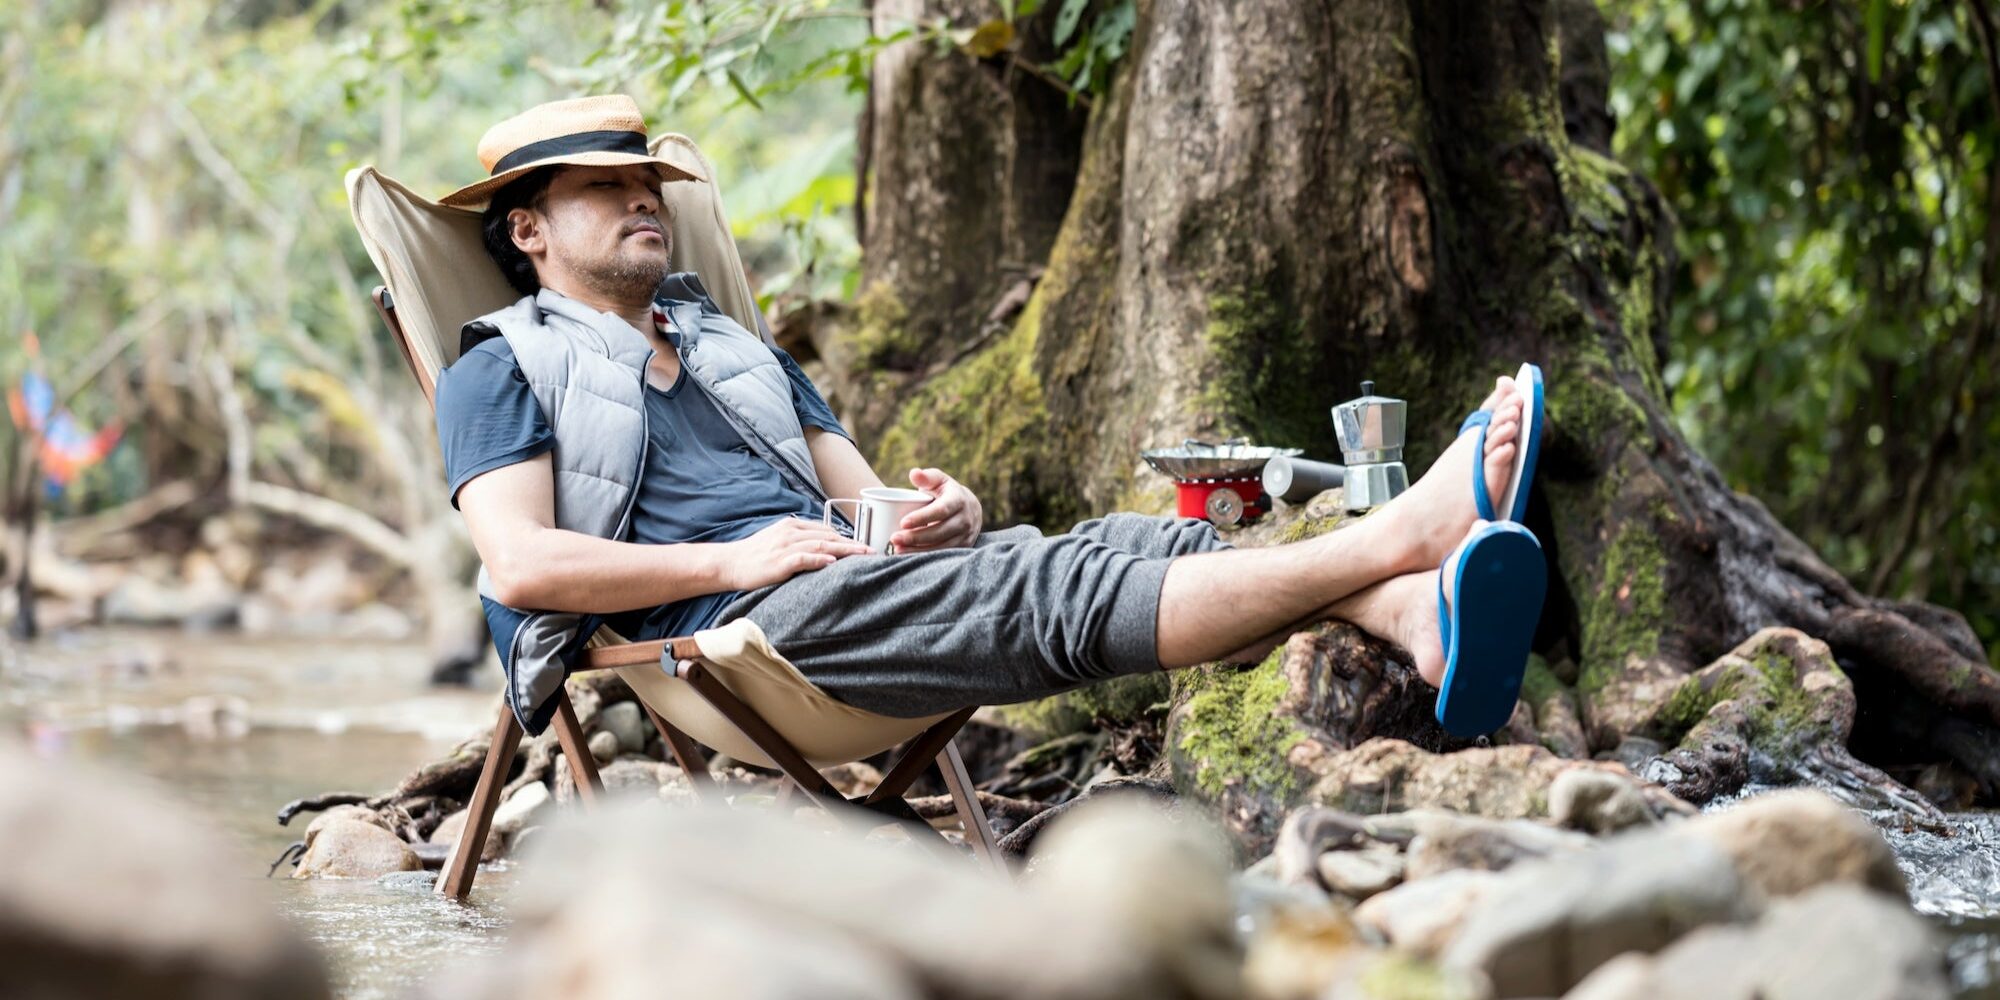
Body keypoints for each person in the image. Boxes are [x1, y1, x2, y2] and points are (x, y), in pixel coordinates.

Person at [434, 95, 1538, 735]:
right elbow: (521, 567)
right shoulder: (503, 366)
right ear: (529, 231)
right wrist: (732, 562)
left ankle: (1409, 612)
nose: (641, 196)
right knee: (1048, 587)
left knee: (1144, 539)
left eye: (646, 183)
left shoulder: (734, 346)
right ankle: (1399, 535)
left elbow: (865, 504)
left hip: (844, 586)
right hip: (736, 640)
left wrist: (940, 517)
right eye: (603, 187)